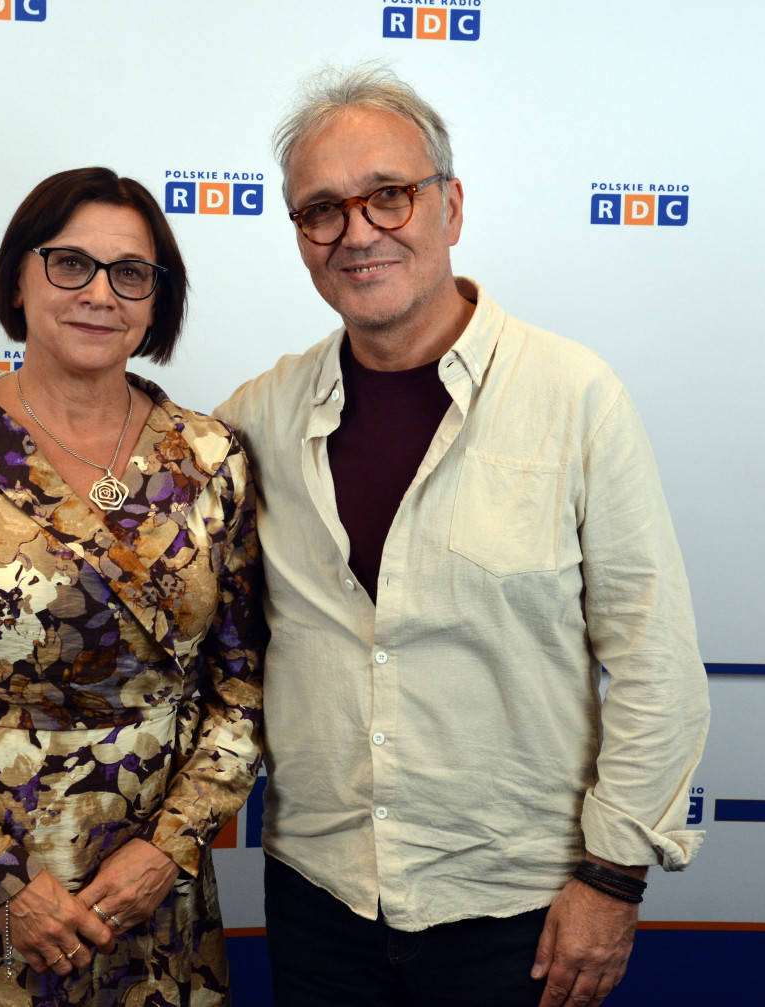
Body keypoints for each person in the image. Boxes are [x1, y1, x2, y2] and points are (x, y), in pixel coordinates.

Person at [210, 64, 710, 1007]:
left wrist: (612, 879)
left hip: (520, 909)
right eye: (322, 211)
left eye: (388, 195)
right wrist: (0, 434)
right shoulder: (259, 415)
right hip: (320, 900)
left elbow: (656, 658)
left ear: (451, 206)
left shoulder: (575, 395)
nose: (358, 232)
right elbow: (125, 511)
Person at [0, 166, 266, 1007]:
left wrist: (168, 847)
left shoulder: (212, 459)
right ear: (18, 280)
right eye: (70, 264)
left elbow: (244, 684)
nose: (100, 293)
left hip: (147, 890)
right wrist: (3, 881)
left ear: (157, 300)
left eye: (130, 273)